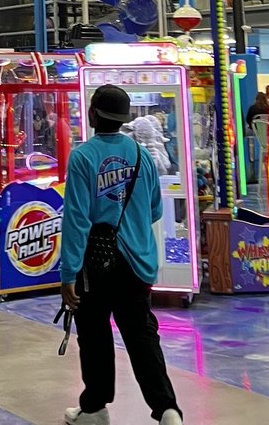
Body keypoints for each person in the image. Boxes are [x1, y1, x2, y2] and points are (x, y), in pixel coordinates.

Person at [60, 84, 182, 425]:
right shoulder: (143, 155)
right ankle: (167, 410)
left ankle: (95, 408)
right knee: (142, 334)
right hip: (138, 262)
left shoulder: (83, 157)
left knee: (95, 335)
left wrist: (67, 273)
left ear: (94, 114)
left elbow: (77, 219)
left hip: (95, 263)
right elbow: (155, 210)